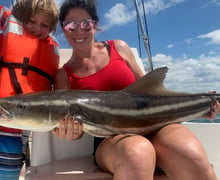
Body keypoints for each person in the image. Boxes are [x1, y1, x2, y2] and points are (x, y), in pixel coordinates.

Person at [52, 0, 219, 179]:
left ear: (95, 24)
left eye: (86, 23)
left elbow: (149, 91)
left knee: (190, 156)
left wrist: (201, 106)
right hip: (110, 139)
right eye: (71, 25)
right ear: (63, 28)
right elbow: (72, 126)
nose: (79, 30)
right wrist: (70, 133)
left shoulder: (119, 48)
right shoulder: (63, 75)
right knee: (136, 155)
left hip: (158, 126)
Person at [0, 0, 59, 179]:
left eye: (44, 25)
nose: (37, 28)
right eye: (32, 21)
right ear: (21, 19)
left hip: (14, 132)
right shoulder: (3, 40)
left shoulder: (51, 54)